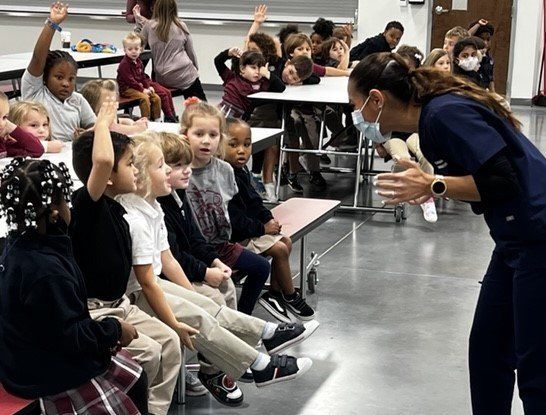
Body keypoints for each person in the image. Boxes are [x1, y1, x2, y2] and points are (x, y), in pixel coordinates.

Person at [350, 52, 546, 414]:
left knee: (537, 368)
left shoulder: (444, 114)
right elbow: (480, 180)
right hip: (514, 239)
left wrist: (434, 184)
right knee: (489, 351)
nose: (358, 116)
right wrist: (432, 186)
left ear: (376, 99)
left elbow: (504, 180)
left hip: (538, 236)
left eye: (356, 105)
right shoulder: (432, 119)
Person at [117, 132, 318, 406]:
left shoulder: (154, 208)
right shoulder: (134, 217)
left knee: (209, 305)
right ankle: (258, 360)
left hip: (152, 283)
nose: (169, 171)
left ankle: (264, 340)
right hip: (137, 291)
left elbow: (169, 259)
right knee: (199, 317)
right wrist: (184, 309)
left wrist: (194, 295)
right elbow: (149, 279)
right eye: (163, 165)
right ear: (139, 176)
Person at [0, 157, 147, 414]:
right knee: (134, 382)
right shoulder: (46, 271)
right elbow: (70, 336)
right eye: (65, 201)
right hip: (46, 374)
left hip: (25, 362)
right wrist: (114, 330)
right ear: (55, 211)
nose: (70, 207)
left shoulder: (16, 246)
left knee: (135, 375)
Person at [70, 99, 186, 413]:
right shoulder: (87, 207)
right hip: (96, 313)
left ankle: (154, 410)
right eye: (130, 164)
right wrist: (104, 122)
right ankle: (127, 407)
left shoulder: (118, 207)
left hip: (121, 305)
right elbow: (104, 161)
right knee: (148, 352)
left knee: (170, 342)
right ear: (107, 176)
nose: (136, 171)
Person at [181, 99, 272, 315]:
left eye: (213, 135)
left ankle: (243, 317)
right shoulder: (181, 171)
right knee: (218, 292)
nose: (206, 141)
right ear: (185, 134)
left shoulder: (225, 170)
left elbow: (231, 208)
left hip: (221, 244)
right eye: (199, 134)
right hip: (195, 248)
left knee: (261, 267)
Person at [225, 118, 316, 322]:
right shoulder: (224, 175)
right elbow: (233, 219)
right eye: (233, 144)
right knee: (279, 249)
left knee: (286, 241)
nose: (242, 150)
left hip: (250, 230)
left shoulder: (240, 171)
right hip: (237, 236)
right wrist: (262, 228)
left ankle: (275, 294)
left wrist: (268, 219)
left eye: (247, 145)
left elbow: (254, 201)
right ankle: (290, 295)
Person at [156, 131, 237, 309]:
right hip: (174, 275)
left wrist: (215, 261)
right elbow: (173, 256)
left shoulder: (179, 193)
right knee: (213, 299)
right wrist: (205, 272)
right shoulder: (159, 205)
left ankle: (243, 334)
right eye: (177, 165)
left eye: (188, 164)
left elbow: (195, 237)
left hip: (191, 266)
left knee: (228, 285)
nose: (187, 171)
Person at [374, 46, 437, 222]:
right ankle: (401, 187)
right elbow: (375, 118)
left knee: (424, 154)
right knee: (403, 158)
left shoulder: (420, 88)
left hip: (413, 132)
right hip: (392, 135)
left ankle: (428, 195)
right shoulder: (386, 87)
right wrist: (377, 143)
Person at [21, 3, 96, 141]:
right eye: (59, 77)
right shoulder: (36, 94)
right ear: (45, 78)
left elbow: (94, 125)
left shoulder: (77, 100)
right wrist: (52, 23)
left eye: (71, 79)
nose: (66, 83)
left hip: (68, 154)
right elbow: (38, 58)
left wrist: (86, 133)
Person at [138, 0, 207, 101]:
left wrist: (138, 23)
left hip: (162, 77)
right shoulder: (181, 25)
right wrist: (196, 68)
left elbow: (138, 46)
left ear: (157, 8)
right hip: (184, 75)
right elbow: (190, 52)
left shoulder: (148, 26)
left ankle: (169, 115)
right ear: (174, 9)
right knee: (201, 105)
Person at [117, 32, 177, 122]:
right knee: (144, 98)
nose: (133, 51)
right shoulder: (124, 64)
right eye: (130, 49)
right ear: (125, 50)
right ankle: (146, 120)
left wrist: (148, 87)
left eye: (136, 49)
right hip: (127, 89)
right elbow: (130, 81)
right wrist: (142, 89)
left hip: (138, 87)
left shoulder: (139, 62)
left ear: (140, 49)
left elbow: (142, 77)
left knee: (156, 97)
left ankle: (157, 119)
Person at [214, 48, 285, 119]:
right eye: (253, 68)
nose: (257, 71)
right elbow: (218, 61)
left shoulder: (263, 84)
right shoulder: (231, 78)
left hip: (243, 117)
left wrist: (267, 74)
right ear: (242, 69)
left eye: (260, 68)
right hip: (224, 110)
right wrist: (228, 53)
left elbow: (281, 88)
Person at [80, 79, 149, 136]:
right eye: (109, 104)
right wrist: (138, 128)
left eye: (115, 102)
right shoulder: (94, 125)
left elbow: (120, 121)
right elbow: (111, 128)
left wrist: (131, 123)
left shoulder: (111, 116)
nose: (116, 106)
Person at [0, 92, 44, 158]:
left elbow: (37, 151)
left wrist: (12, 128)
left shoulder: (2, 143)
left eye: (4, 117)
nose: (1, 123)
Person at [468, 19, 496, 92]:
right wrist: (478, 24)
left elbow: (490, 78)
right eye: (482, 39)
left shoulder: (489, 59)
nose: (485, 43)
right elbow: (465, 37)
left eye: (488, 39)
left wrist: (494, 95)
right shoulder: (470, 57)